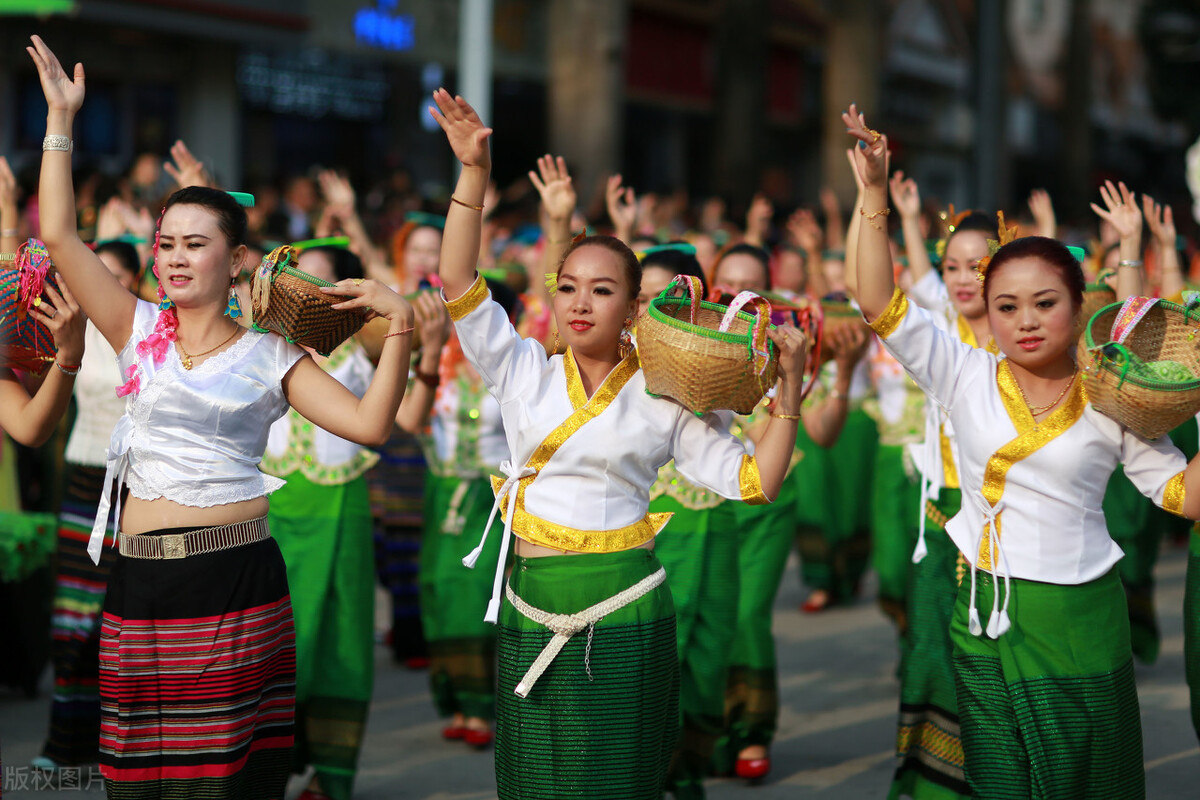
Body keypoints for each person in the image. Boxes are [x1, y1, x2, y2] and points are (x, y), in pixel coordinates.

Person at [29, 35, 415, 799]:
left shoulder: (273, 356)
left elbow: (371, 425)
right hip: (138, 583)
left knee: (223, 780)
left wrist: (399, 324)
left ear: (235, 259)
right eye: (165, 243)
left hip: (235, 578)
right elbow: (59, 235)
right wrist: (60, 122)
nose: (174, 257)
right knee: (138, 777)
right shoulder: (133, 325)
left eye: (195, 244)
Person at [430, 88, 810, 800]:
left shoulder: (665, 395)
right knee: (535, 779)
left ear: (635, 307)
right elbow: (457, 280)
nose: (579, 303)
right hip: (529, 594)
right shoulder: (521, 370)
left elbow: (758, 480)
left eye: (601, 291)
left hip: (627, 601)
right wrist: (473, 174)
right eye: (568, 287)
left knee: (619, 779)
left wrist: (786, 394)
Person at [847, 103, 1200, 797]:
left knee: (1084, 780)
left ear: (1078, 308)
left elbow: (1181, 495)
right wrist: (872, 195)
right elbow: (876, 300)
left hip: (1078, 621)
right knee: (1000, 781)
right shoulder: (960, 369)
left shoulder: (1110, 392)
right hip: (979, 612)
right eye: (1007, 307)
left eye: (1045, 304)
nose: (1025, 321)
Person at [260, 245, 398, 800]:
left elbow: (393, 321)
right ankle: (264, 765)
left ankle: (331, 776)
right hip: (268, 506)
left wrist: (386, 304)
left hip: (340, 506)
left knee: (339, 639)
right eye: (297, 276)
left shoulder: (360, 341)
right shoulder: (257, 339)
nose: (308, 288)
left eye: (324, 280)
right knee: (275, 640)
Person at [33, 240, 137, 773]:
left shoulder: (145, 331)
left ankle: (117, 744)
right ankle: (63, 743)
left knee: (124, 619)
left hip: (136, 487)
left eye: (112, 275)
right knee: (73, 614)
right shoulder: (66, 333)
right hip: (82, 482)